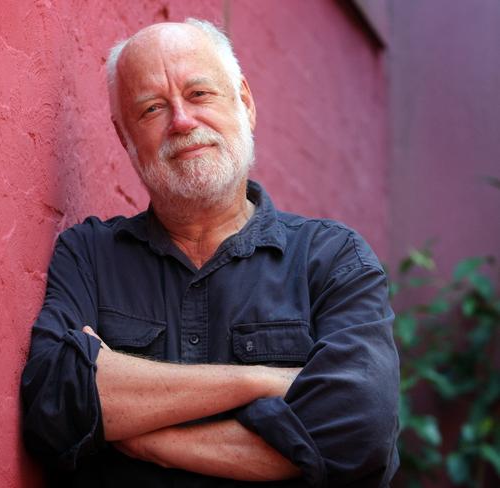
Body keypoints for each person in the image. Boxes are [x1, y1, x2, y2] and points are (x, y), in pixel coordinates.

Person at [21, 18, 400, 488]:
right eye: (152, 108)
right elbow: (54, 404)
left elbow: (360, 431)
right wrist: (259, 381)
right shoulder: (90, 256)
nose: (181, 121)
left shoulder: (332, 259)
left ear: (244, 102)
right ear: (125, 137)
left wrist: (140, 436)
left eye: (199, 94)